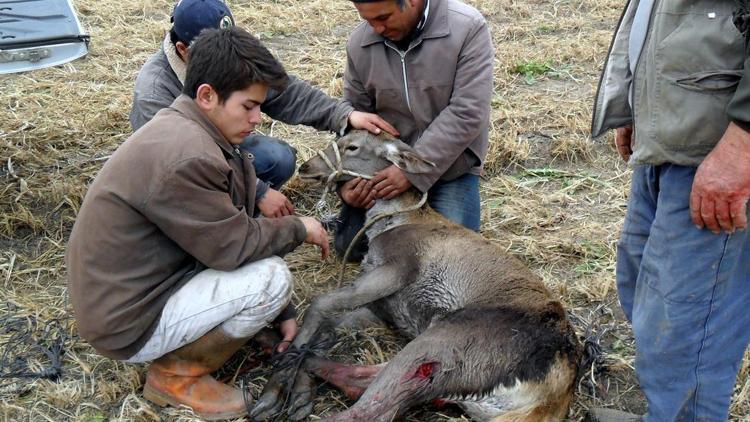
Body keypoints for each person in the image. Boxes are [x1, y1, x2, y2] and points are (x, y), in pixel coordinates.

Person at [67, 27, 331, 420]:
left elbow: (225, 231)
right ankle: (176, 377)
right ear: (207, 95)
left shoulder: (195, 131)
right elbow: (232, 247)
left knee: (267, 282)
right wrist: (301, 228)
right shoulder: (188, 156)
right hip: (127, 320)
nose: (258, 118)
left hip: (138, 291)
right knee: (271, 280)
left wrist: (282, 314)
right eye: (248, 106)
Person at [589, 1, 750, 420]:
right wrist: (637, 103)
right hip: (673, 142)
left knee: (686, 330)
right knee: (644, 291)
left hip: (715, 152)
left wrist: (743, 144)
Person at [130, 0, 398, 219]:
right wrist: (257, 191)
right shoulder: (154, 94)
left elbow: (286, 91)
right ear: (183, 50)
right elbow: (177, 170)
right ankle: (229, 213)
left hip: (224, 152)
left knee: (276, 157)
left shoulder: (229, 57)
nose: (257, 118)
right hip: (180, 177)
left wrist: (345, 115)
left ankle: (240, 207)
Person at [334, 0, 494, 261]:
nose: (375, 29)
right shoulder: (360, 42)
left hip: (450, 166)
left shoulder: (467, 27)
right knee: (352, 248)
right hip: (384, 166)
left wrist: (410, 170)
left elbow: (468, 111)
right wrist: (345, 184)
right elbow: (355, 115)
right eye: (368, 20)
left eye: (383, 17)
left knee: (447, 255)